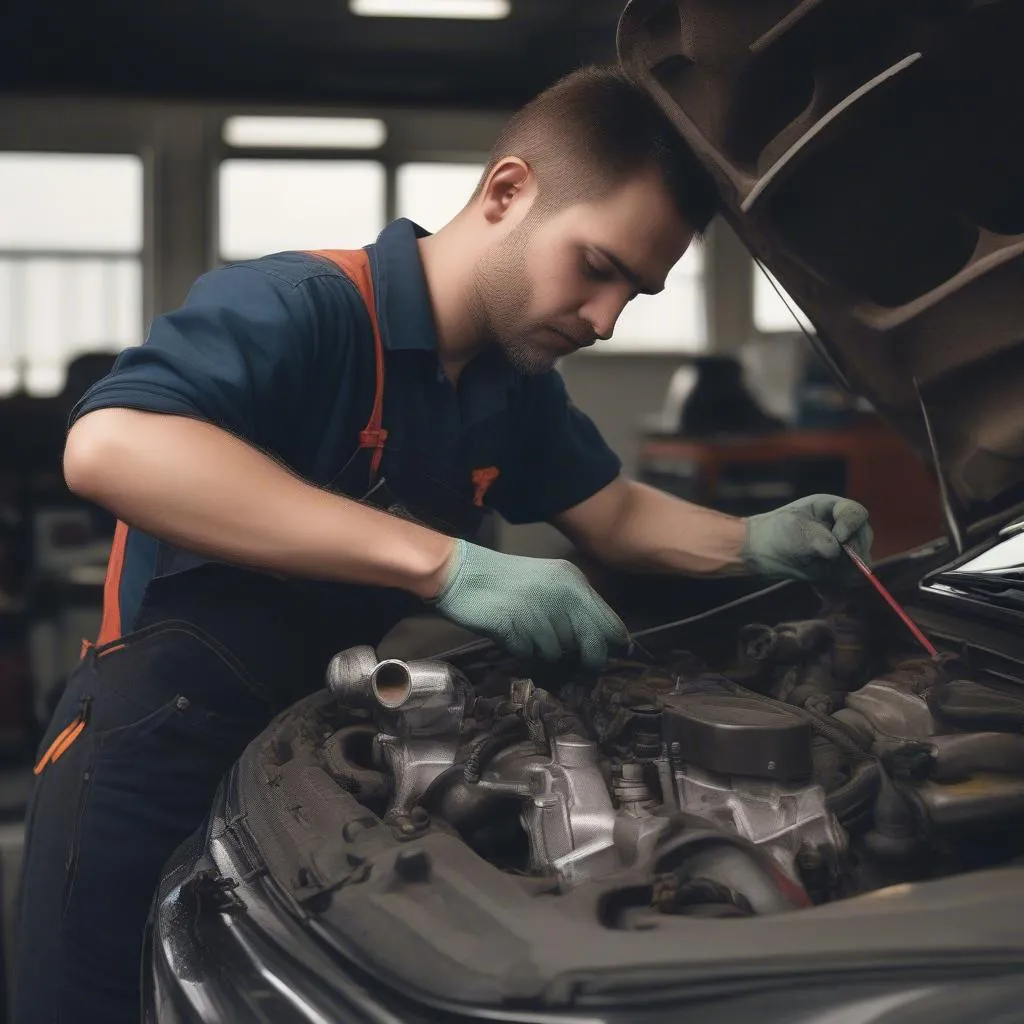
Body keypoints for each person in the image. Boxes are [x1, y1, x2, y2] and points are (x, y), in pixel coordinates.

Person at [14, 64, 872, 1023]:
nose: (602, 320)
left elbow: (616, 517)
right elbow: (112, 446)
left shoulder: (515, 387)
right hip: (149, 751)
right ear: (507, 192)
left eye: (635, 294)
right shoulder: (304, 305)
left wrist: (757, 540)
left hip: (311, 753)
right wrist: (447, 562)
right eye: (597, 268)